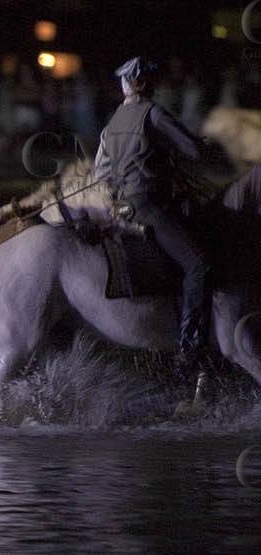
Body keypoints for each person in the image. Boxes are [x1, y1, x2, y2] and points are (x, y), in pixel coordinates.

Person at [90, 57, 213, 370]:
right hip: (147, 205)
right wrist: (203, 145)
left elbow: (100, 174)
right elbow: (193, 150)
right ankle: (190, 346)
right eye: (152, 80)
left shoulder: (112, 122)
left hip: (121, 208)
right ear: (144, 84)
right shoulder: (152, 112)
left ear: (125, 86)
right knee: (198, 265)